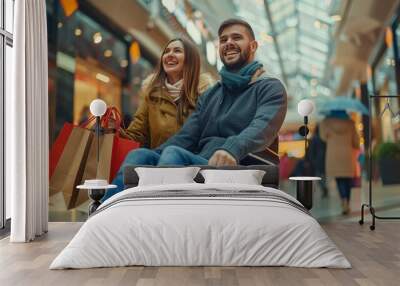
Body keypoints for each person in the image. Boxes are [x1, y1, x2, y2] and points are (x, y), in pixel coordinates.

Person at [102, 18, 287, 201]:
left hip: (241, 164)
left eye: (237, 38)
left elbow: (262, 126)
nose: (229, 43)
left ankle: (160, 218)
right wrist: (154, 155)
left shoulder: (270, 87)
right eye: (224, 40)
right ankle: (105, 214)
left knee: (173, 155)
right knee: (140, 155)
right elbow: (186, 136)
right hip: (203, 163)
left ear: (253, 46)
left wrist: (232, 149)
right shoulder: (211, 95)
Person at [120, 38, 214, 148]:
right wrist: (114, 129)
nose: (170, 54)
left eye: (177, 51)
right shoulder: (151, 95)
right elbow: (136, 135)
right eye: (166, 51)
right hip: (157, 162)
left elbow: (210, 136)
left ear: (190, 59)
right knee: (138, 155)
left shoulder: (205, 95)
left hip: (191, 162)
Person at [319, 110, 360, 215]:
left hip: (333, 155)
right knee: (348, 180)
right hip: (347, 155)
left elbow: (323, 138)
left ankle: (343, 201)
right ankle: (347, 202)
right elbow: (356, 142)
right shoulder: (350, 122)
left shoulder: (326, 122)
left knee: (339, 179)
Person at [307, 124, 329, 197]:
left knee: (319, 175)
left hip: (317, 161)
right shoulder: (324, 138)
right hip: (324, 160)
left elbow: (311, 151)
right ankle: (324, 188)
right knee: (323, 175)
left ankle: (324, 188)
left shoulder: (314, 139)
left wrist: (311, 160)